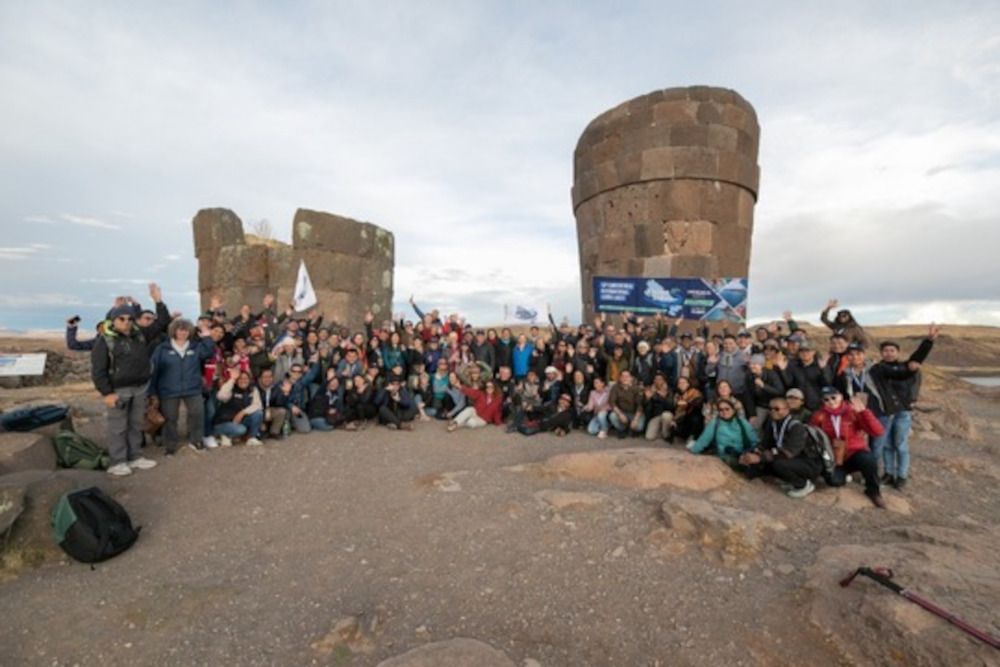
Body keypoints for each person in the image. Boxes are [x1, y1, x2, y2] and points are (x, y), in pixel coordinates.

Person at [91, 283, 170, 476]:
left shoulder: (139, 335)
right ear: (113, 320)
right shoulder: (105, 341)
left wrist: (158, 300)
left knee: (136, 424)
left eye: (129, 318)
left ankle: (135, 457)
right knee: (118, 427)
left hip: (140, 387)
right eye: (121, 318)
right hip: (119, 390)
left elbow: (163, 323)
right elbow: (98, 370)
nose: (126, 322)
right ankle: (118, 462)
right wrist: (106, 393)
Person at [870, 324, 938, 488]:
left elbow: (915, 360)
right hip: (885, 412)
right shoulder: (877, 369)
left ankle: (901, 476)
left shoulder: (904, 367)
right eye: (885, 350)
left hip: (902, 413)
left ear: (897, 352)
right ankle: (888, 473)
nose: (889, 353)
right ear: (881, 353)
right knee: (886, 444)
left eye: (892, 350)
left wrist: (928, 341)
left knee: (900, 445)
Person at [810, 386, 886, 508]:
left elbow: (878, 432)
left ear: (840, 397)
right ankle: (845, 476)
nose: (831, 401)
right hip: (834, 456)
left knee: (868, 459)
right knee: (834, 481)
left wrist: (864, 412)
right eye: (826, 399)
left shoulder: (852, 411)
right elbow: (814, 436)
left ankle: (873, 491)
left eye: (833, 397)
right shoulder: (819, 416)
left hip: (854, 452)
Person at [148, 318, 215, 455]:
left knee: (197, 414)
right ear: (174, 331)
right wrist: (152, 390)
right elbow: (153, 370)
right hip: (168, 390)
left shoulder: (196, 346)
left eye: (185, 330)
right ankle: (170, 445)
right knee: (170, 418)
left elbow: (209, 352)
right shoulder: (162, 348)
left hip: (193, 388)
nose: (183, 332)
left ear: (189, 331)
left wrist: (207, 336)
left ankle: (196, 441)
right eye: (180, 329)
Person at [739, 397, 824, 498]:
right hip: (787, 458)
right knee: (751, 468)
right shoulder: (772, 424)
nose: (772, 411)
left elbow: (789, 452)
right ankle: (788, 480)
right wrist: (753, 453)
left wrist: (760, 458)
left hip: (808, 462)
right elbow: (765, 444)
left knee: (778, 464)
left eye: (777, 409)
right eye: (770, 409)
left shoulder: (796, 427)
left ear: (787, 409)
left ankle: (803, 484)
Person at [686, 398, 757, 466]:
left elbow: (754, 440)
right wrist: (693, 451)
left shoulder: (742, 422)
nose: (724, 412)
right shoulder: (715, 422)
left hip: (743, 454)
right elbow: (704, 439)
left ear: (733, 410)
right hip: (725, 457)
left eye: (727, 409)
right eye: (721, 410)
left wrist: (753, 454)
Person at [213, 369, 264, 446]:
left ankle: (251, 438)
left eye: (246, 378)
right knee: (241, 429)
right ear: (237, 380)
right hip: (224, 422)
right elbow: (220, 396)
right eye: (240, 378)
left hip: (239, 421)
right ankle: (223, 436)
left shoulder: (252, 389)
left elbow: (258, 405)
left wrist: (242, 413)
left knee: (258, 414)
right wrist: (232, 379)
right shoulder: (231, 389)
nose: (243, 381)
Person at [608, 370, 645, 438]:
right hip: (622, 412)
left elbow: (640, 405)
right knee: (612, 416)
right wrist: (620, 414)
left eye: (627, 376)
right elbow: (612, 402)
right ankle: (623, 429)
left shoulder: (637, 388)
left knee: (639, 427)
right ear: (620, 378)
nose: (625, 378)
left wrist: (636, 419)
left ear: (631, 378)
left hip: (634, 413)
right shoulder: (615, 387)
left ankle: (632, 428)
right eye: (623, 376)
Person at [257, 368, 288, 438]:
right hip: (260, 411)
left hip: (270, 409)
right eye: (265, 377)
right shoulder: (256, 388)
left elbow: (280, 403)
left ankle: (274, 432)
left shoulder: (276, 387)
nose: (267, 379)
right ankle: (261, 431)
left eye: (270, 377)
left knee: (282, 411)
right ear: (260, 378)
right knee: (258, 414)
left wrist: (285, 393)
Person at [644, 372, 676, 442]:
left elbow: (671, 406)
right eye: (656, 379)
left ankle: (666, 434)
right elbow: (647, 407)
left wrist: (663, 397)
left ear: (664, 381)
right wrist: (647, 399)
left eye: (660, 379)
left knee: (665, 416)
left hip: (667, 415)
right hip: (656, 416)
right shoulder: (650, 390)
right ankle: (659, 430)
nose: (657, 381)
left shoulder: (669, 391)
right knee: (649, 437)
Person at [672, 376, 705, 441]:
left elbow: (699, 402)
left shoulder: (694, 392)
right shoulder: (676, 395)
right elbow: (673, 407)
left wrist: (687, 403)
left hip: (692, 416)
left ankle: (693, 437)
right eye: (680, 383)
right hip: (680, 418)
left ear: (688, 384)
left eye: (684, 382)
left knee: (695, 416)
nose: (681, 384)